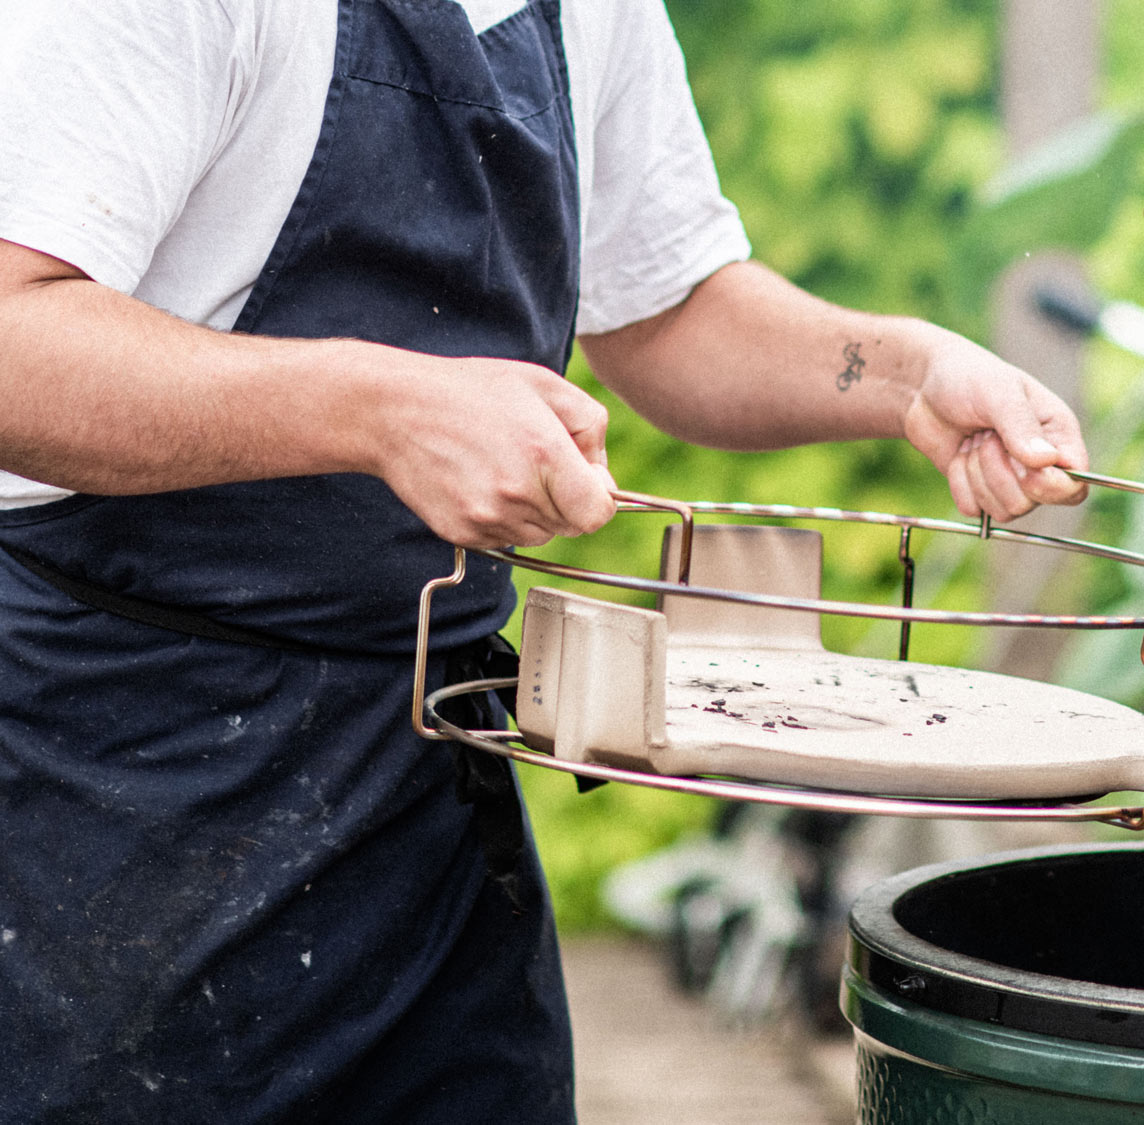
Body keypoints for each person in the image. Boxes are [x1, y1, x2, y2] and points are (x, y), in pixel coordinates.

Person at [0, 0, 1088, 1119]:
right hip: (119, 785)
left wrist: (905, 375)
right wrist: (377, 409)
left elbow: (665, 309)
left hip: (423, 804)